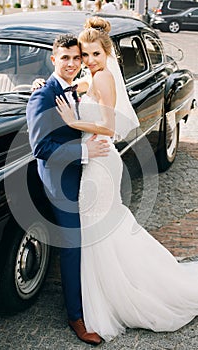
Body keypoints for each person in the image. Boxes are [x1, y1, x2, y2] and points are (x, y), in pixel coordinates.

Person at [55, 17, 198, 342]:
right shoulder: (93, 77)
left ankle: (119, 295)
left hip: (101, 159)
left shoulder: (104, 78)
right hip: (98, 159)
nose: (89, 61)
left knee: (99, 227)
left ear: (107, 53)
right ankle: (104, 290)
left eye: (95, 54)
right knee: (102, 227)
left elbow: (107, 125)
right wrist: (43, 85)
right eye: (84, 55)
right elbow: (74, 87)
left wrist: (72, 121)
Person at [26, 33, 110, 345]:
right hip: (59, 177)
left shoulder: (73, 87)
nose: (73, 64)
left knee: (93, 233)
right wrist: (86, 153)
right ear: (53, 59)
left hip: (84, 170)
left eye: (77, 58)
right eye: (65, 58)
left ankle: (93, 292)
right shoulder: (43, 96)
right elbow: (42, 147)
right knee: (73, 242)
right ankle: (75, 316)